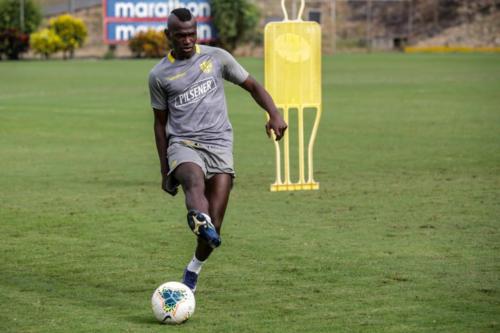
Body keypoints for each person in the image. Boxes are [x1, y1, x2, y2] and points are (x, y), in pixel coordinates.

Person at [149, 8, 287, 293]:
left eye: (191, 34)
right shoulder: (159, 75)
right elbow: (160, 124)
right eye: (180, 35)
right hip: (183, 143)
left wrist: (274, 114)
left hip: (220, 145)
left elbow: (252, 85)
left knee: (215, 227)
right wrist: (165, 170)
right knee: (193, 182)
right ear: (168, 36)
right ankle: (198, 218)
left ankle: (194, 267)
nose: (186, 40)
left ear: (196, 32)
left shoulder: (217, 58)